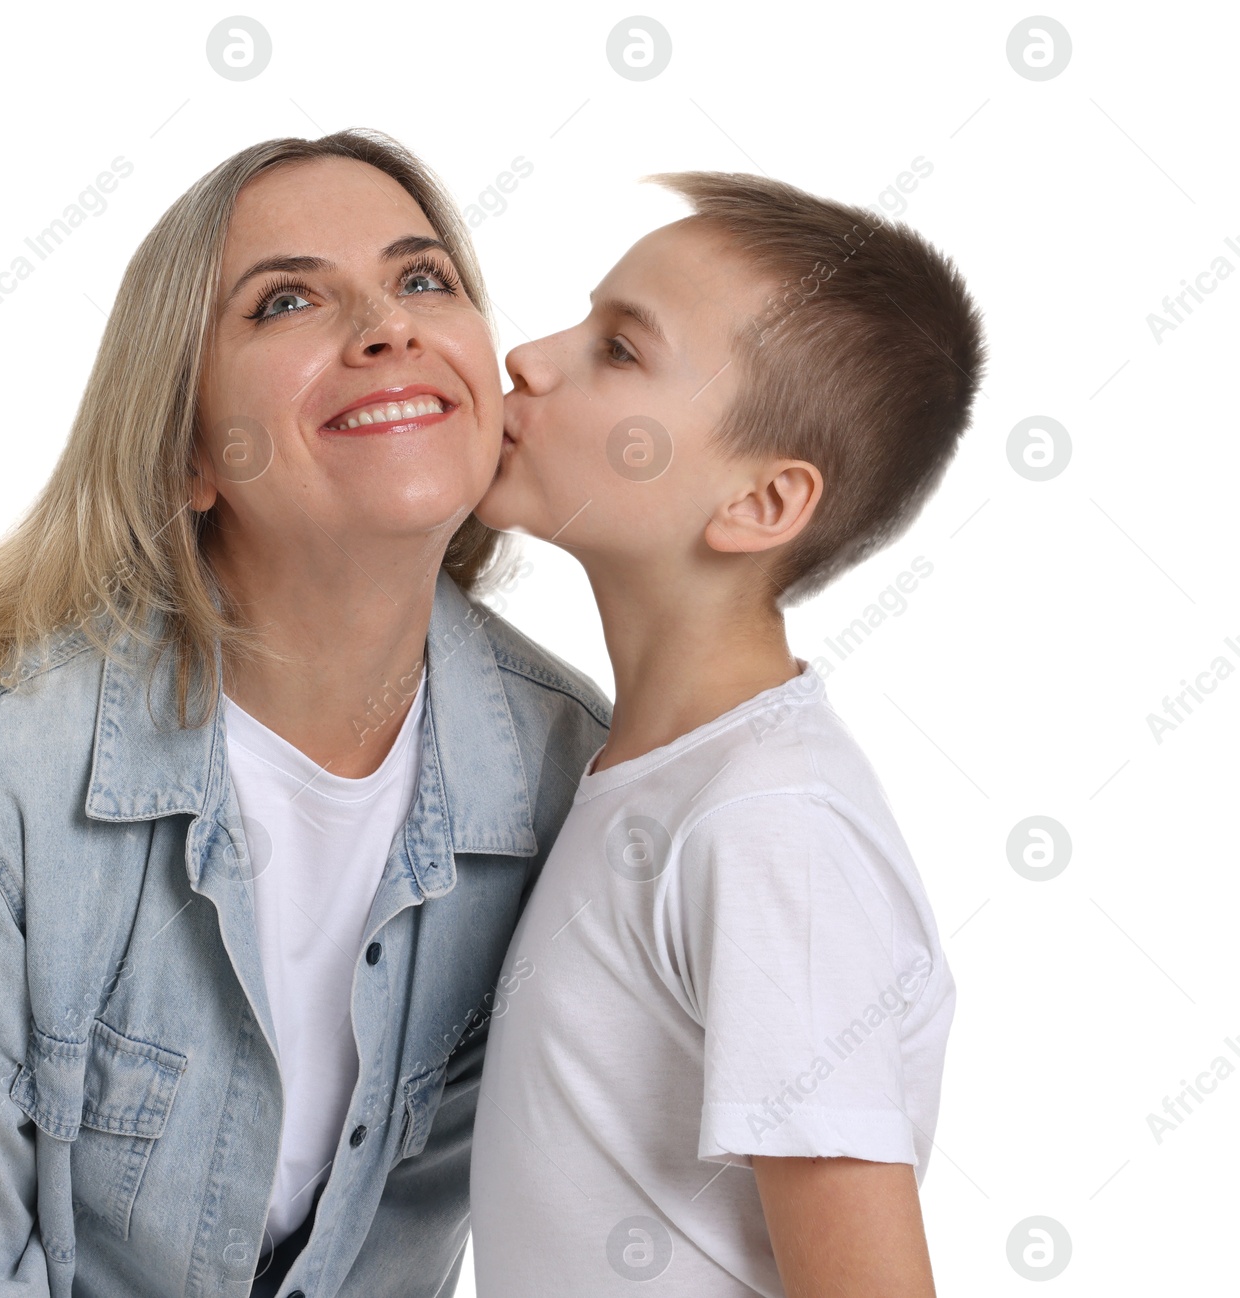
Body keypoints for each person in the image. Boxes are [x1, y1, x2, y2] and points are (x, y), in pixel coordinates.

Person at [0, 128, 610, 1298]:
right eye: (286, 300)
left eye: (422, 277)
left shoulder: (569, 772)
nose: (387, 325)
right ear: (189, 450)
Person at [467, 171, 986, 1296]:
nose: (530, 357)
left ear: (759, 503)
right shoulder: (634, 771)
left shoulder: (768, 827)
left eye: (620, 349)